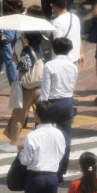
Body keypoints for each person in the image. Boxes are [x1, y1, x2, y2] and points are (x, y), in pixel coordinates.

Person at [19, 100, 66, 193]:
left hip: (35, 177)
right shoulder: (59, 134)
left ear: (38, 117)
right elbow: (61, 152)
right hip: (52, 176)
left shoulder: (32, 136)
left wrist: (20, 151)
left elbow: (25, 160)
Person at [39, 37, 77, 180]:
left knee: (44, 134)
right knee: (65, 137)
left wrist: (41, 107)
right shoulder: (73, 66)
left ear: (54, 49)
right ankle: (61, 170)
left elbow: (45, 90)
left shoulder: (50, 65)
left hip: (52, 102)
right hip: (67, 102)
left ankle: (45, 165)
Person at [3, 32, 44, 151]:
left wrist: (17, 60)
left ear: (27, 38)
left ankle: (13, 142)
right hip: (39, 86)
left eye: (23, 37)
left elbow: (24, 66)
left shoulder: (26, 50)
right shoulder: (39, 49)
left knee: (18, 115)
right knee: (40, 114)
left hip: (28, 88)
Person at [50, 0, 83, 66]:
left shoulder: (56, 22)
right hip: (75, 55)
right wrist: (81, 53)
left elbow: (57, 42)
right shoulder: (75, 17)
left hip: (63, 59)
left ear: (55, 6)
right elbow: (78, 36)